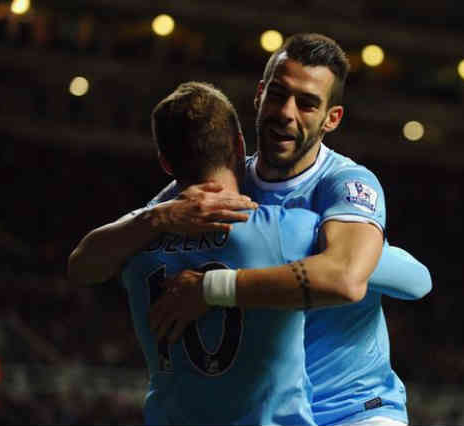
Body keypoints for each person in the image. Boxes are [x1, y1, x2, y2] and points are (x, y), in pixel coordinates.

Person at [69, 33, 432, 426]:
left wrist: (214, 289)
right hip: (272, 411)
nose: (286, 112)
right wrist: (154, 217)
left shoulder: (344, 184)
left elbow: (403, 280)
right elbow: (84, 266)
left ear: (332, 118)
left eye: (307, 103)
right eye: (278, 94)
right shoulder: (220, 184)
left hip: (353, 407)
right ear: (259, 95)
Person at [119, 81, 324, 425]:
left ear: (166, 164)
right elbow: (405, 278)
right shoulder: (286, 230)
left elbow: (81, 263)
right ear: (239, 145)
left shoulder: (133, 246)